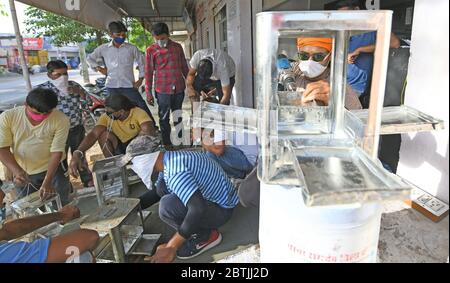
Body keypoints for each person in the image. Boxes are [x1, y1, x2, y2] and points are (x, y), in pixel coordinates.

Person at [121, 136, 239, 263]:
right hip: (219, 198)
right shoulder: (168, 159)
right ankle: (190, 231)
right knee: (161, 188)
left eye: (133, 163)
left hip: (222, 209)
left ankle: (206, 236)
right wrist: (130, 207)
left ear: (144, 160)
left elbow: (197, 208)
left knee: (167, 207)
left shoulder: (175, 171)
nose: (133, 168)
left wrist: (171, 246)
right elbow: (157, 192)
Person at [0, 88, 72, 205]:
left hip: (55, 169)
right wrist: (17, 171)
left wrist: (48, 181)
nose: (41, 117)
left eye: (46, 113)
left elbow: (56, 152)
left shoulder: (61, 119)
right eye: (36, 113)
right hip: (23, 170)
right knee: (27, 207)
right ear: (25, 105)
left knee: (60, 203)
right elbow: (2, 148)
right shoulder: (8, 117)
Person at [87, 21, 156, 127]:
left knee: (141, 105)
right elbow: (90, 58)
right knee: (113, 110)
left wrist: (140, 79)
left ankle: (152, 127)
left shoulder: (131, 48)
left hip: (128, 85)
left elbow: (142, 63)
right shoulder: (103, 49)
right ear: (111, 34)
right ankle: (115, 130)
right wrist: (99, 68)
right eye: (118, 35)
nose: (121, 37)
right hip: (111, 86)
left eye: (123, 35)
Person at [69, 95, 157, 178]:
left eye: (110, 112)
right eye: (106, 111)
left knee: (145, 134)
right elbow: (94, 134)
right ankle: (114, 167)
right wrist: (78, 152)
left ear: (121, 111)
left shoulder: (138, 112)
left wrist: (132, 150)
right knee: (103, 135)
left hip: (138, 146)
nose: (107, 114)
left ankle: (138, 166)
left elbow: (149, 132)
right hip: (121, 146)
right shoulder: (107, 117)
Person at [37, 60, 94, 188]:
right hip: (56, 132)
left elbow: (89, 103)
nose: (63, 78)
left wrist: (80, 93)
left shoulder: (74, 85)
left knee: (80, 154)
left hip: (76, 127)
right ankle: (65, 185)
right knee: (59, 159)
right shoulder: (42, 90)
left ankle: (87, 178)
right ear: (49, 75)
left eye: (65, 74)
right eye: (58, 75)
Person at [335, 0, 401, 100]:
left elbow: (395, 43)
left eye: (347, 14)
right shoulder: (342, 30)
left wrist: (361, 49)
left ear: (357, 10)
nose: (345, 19)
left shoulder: (370, 27)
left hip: (355, 89)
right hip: (337, 83)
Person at [0, 197, 99, 263]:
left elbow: (7, 231)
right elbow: (90, 238)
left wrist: (61, 215)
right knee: (82, 256)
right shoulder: (6, 254)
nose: (3, 194)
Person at [145, 23, 189, 147]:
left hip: (179, 88)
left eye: (162, 38)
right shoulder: (150, 51)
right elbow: (148, 73)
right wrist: (148, 92)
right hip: (162, 90)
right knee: (164, 118)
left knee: (178, 115)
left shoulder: (177, 47)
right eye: (157, 39)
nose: (160, 41)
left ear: (168, 35)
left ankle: (180, 141)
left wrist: (191, 84)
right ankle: (167, 143)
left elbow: (184, 67)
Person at [292, 37, 363, 109]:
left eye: (318, 56)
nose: (310, 61)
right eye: (304, 56)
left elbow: (356, 116)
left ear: (330, 56)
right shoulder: (294, 73)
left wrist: (333, 103)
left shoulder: (338, 86)